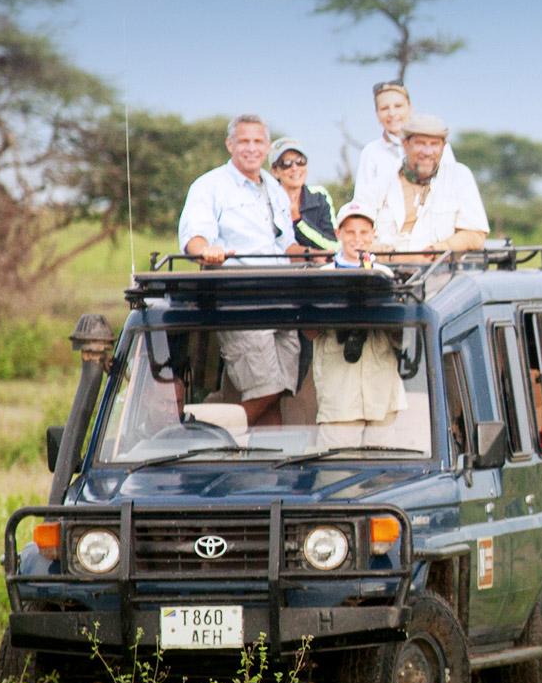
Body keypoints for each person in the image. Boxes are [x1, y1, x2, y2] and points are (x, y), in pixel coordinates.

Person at [175, 114, 298, 425]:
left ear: (268, 147)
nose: (251, 148)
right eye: (244, 141)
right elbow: (195, 237)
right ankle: (205, 432)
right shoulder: (210, 185)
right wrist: (206, 251)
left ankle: (271, 469)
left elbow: (286, 246)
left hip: (285, 298)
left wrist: (327, 256)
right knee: (266, 387)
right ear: (230, 144)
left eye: (258, 141)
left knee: (280, 390)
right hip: (243, 299)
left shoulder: (274, 187)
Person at [311, 202, 408, 448]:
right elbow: (309, 332)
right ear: (338, 234)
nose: (358, 239)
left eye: (364, 232)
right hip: (340, 390)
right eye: (350, 232)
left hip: (381, 388)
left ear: (373, 234)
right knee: (337, 469)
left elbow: (401, 336)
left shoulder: (384, 274)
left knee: (383, 466)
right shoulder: (323, 275)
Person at [365, 114, 489, 257]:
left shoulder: (459, 176)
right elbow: (356, 231)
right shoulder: (381, 179)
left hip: (440, 273)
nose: (428, 152)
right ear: (405, 144)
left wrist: (438, 249)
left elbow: (475, 235)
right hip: (385, 272)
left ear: (443, 147)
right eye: (420, 143)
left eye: (434, 144)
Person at [352, 80, 456, 208]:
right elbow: (361, 203)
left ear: (410, 107)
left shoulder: (437, 148)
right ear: (377, 114)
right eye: (384, 108)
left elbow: (453, 191)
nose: (392, 113)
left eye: (398, 106)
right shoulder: (371, 152)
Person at [270, 137, 338, 259]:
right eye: (286, 163)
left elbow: (333, 246)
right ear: (275, 171)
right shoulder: (266, 200)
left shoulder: (319, 196)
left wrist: (298, 221)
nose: (294, 168)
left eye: (300, 161)